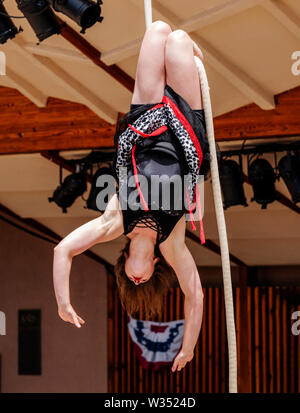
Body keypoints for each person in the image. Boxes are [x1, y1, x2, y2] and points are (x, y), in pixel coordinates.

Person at [53, 21, 209, 372]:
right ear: (155, 266)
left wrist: (63, 303)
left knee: (158, 31)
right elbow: (194, 295)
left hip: (146, 122)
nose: (138, 277)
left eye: (130, 278)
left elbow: (63, 250)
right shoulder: (172, 244)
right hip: (184, 132)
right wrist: (188, 348)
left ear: (123, 264)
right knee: (180, 41)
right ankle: (195, 60)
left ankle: (186, 57)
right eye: (146, 279)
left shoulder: (114, 223)